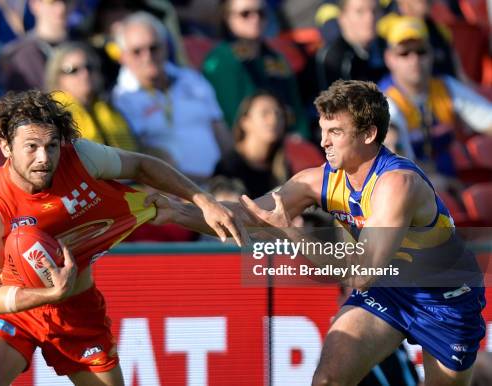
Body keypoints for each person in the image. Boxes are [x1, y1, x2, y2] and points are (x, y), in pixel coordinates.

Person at [150, 80, 486, 386]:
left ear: (368, 134)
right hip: (389, 289)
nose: (323, 142)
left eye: (335, 132)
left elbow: (360, 273)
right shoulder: (320, 179)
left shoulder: (397, 184)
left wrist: (289, 234)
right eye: (323, 130)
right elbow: (249, 213)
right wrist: (176, 211)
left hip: (445, 300)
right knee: (327, 381)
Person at [0, 90, 246, 386]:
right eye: (31, 147)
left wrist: (203, 199)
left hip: (76, 310)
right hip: (14, 312)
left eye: (52, 146)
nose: (44, 158)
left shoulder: (81, 157)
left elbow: (141, 166)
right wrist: (48, 294)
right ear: (5, 146)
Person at [112, 11, 232, 182]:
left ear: (166, 46)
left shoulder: (191, 78)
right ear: (122, 56)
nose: (148, 57)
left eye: (154, 47)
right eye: (137, 51)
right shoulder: (120, 100)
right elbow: (140, 155)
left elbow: (219, 128)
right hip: (173, 193)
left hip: (221, 183)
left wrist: (234, 172)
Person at [380, 16, 492, 189]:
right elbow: (400, 168)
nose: (414, 60)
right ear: (389, 58)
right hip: (412, 190)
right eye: (404, 53)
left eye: (421, 51)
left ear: (431, 54)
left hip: (451, 184)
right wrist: (438, 182)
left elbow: (488, 119)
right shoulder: (385, 102)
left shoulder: (445, 87)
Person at [202, 0, 309, 137]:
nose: (255, 19)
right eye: (245, 14)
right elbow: (232, 119)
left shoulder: (276, 57)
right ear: (227, 17)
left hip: (288, 141)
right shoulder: (220, 61)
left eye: (261, 13)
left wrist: (300, 136)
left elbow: (296, 110)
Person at [45, 42, 138, 151]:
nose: (85, 74)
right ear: (57, 77)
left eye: (89, 67)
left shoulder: (112, 106)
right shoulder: (52, 116)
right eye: (73, 70)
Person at [213, 91, 290, 197]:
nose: (274, 120)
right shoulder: (228, 167)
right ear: (245, 122)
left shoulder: (282, 166)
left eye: (278, 114)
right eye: (265, 113)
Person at [315, 0, 388, 91]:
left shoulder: (387, 46)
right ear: (342, 17)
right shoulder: (334, 59)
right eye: (360, 12)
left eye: (375, 10)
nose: (370, 18)